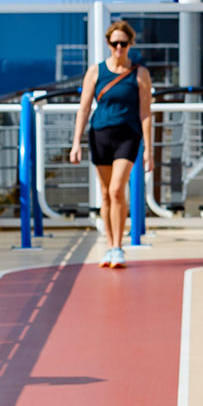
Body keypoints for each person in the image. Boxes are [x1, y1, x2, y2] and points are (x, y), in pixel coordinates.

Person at [67, 19, 152, 266]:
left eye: (123, 44)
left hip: (128, 136)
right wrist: (76, 143)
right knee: (105, 194)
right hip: (100, 135)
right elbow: (83, 109)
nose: (118, 48)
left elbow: (146, 113)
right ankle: (109, 245)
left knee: (117, 190)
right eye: (114, 43)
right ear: (108, 43)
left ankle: (118, 247)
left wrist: (149, 150)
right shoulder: (95, 71)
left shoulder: (140, 74)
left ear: (130, 44)